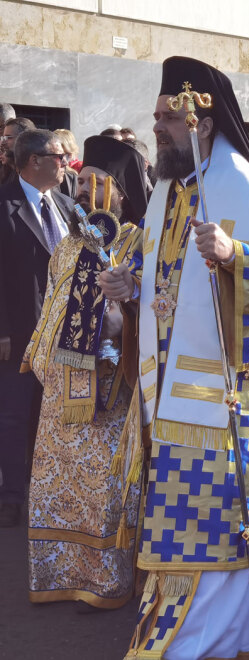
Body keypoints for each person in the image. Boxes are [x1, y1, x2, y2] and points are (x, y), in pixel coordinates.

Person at [98, 56, 249, 659]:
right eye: (156, 116)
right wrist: (130, 285)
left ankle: (196, 645)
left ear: (204, 124)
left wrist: (235, 255)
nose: (156, 127)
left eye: (168, 118)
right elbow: (162, 280)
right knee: (179, 532)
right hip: (167, 400)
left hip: (225, 409)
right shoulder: (168, 190)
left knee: (214, 533)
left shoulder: (242, 189)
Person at [21, 135, 147, 609]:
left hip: (108, 388)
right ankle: (58, 574)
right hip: (59, 389)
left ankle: (104, 581)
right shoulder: (67, 245)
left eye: (97, 183)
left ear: (121, 194)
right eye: (82, 182)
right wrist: (41, 357)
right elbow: (52, 304)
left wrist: (126, 304)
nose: (83, 191)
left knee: (104, 487)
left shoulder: (137, 240)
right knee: (55, 483)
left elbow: (149, 303)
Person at [0, 129, 75, 528]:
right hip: (19, 333)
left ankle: (52, 493)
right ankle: (12, 496)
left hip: (65, 335)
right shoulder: (4, 205)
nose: (66, 163)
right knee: (14, 416)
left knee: (57, 416)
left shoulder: (66, 205)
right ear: (34, 161)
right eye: (59, 157)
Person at [1, 117, 36, 185]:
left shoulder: (39, 172)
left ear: (26, 139)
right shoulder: (8, 171)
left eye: (8, 138)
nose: (2, 143)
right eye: (3, 138)